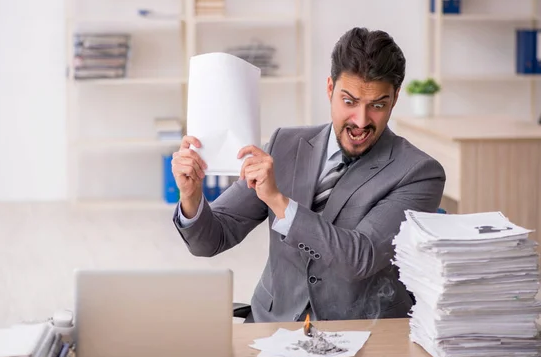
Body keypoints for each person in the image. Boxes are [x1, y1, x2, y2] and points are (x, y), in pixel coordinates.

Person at [171, 27, 446, 323]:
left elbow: (360, 257)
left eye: (377, 105)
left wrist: (278, 202)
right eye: (349, 101)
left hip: (363, 332)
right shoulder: (284, 145)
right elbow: (209, 241)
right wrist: (192, 196)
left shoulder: (419, 173)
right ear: (330, 89)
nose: (361, 121)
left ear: (394, 98)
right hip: (272, 325)